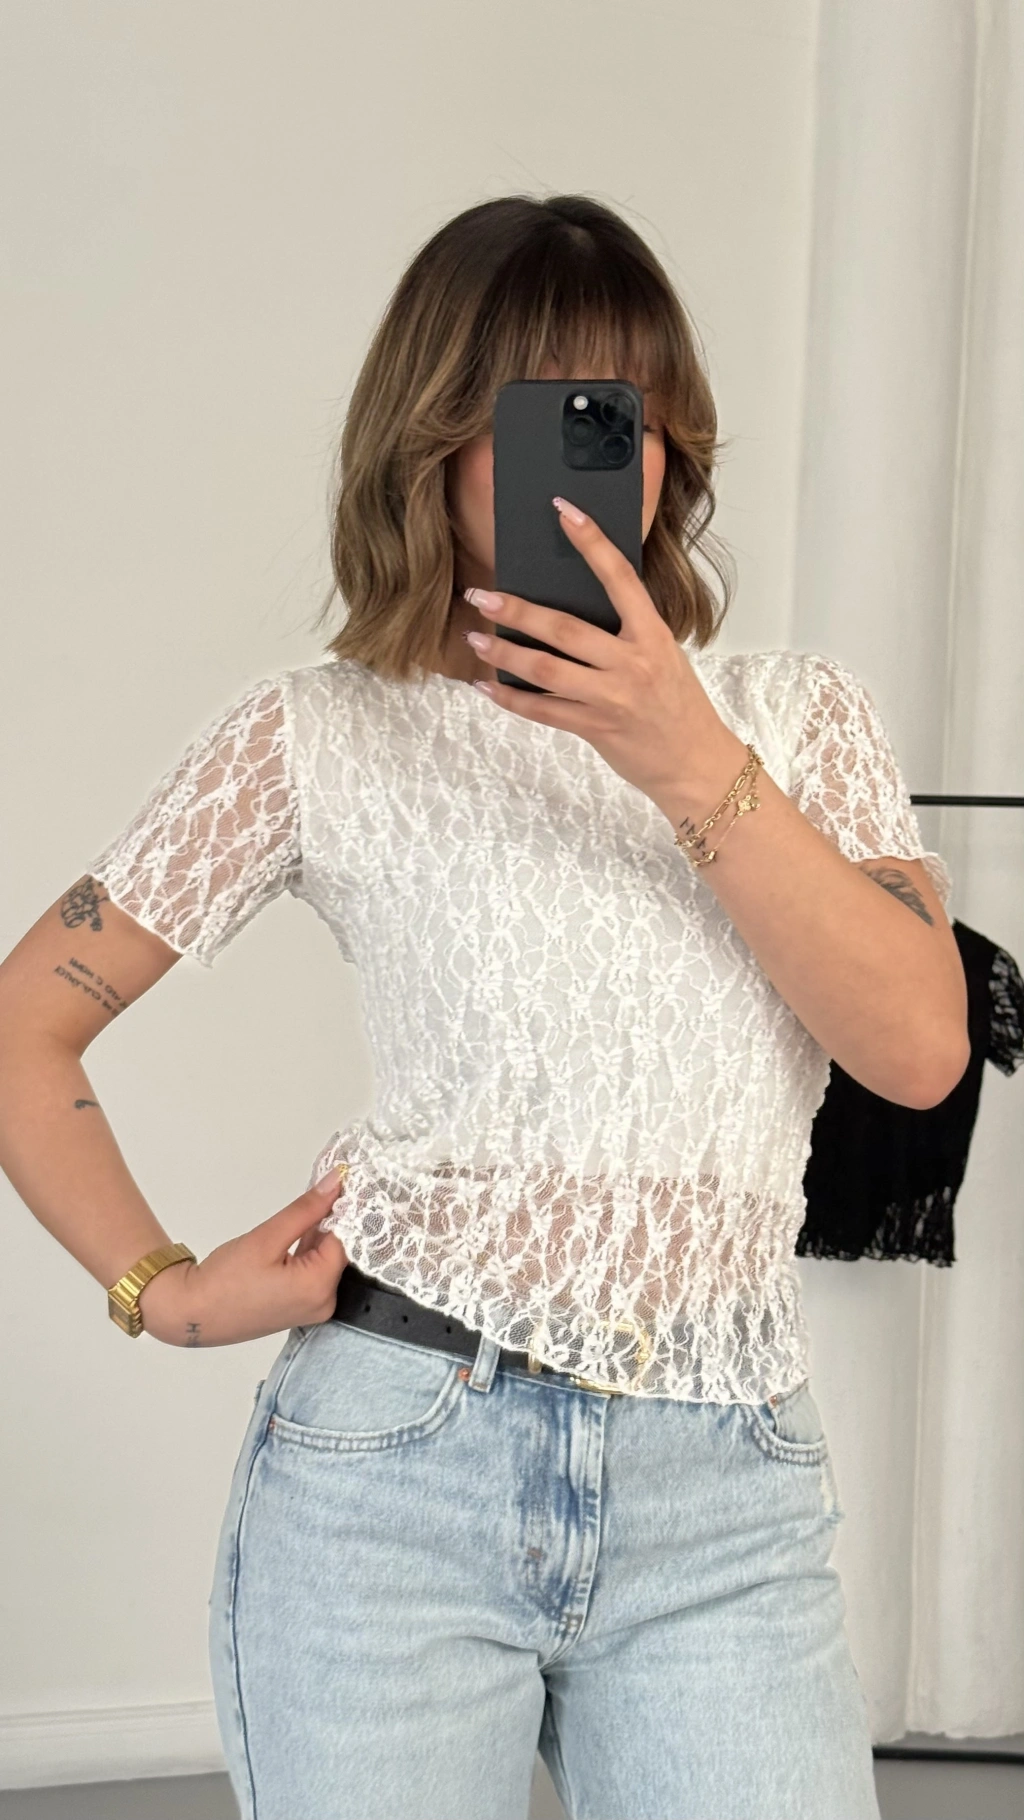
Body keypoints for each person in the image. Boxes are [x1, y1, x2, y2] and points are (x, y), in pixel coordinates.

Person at [0, 194, 969, 1820]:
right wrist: (162, 1290)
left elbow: (922, 1051)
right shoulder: (317, 735)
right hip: (391, 1474)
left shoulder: (800, 719)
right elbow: (23, 1025)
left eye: (624, 418)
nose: (593, 465)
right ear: (433, 441)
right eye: (542, 420)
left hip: (725, 1503)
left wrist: (683, 755)